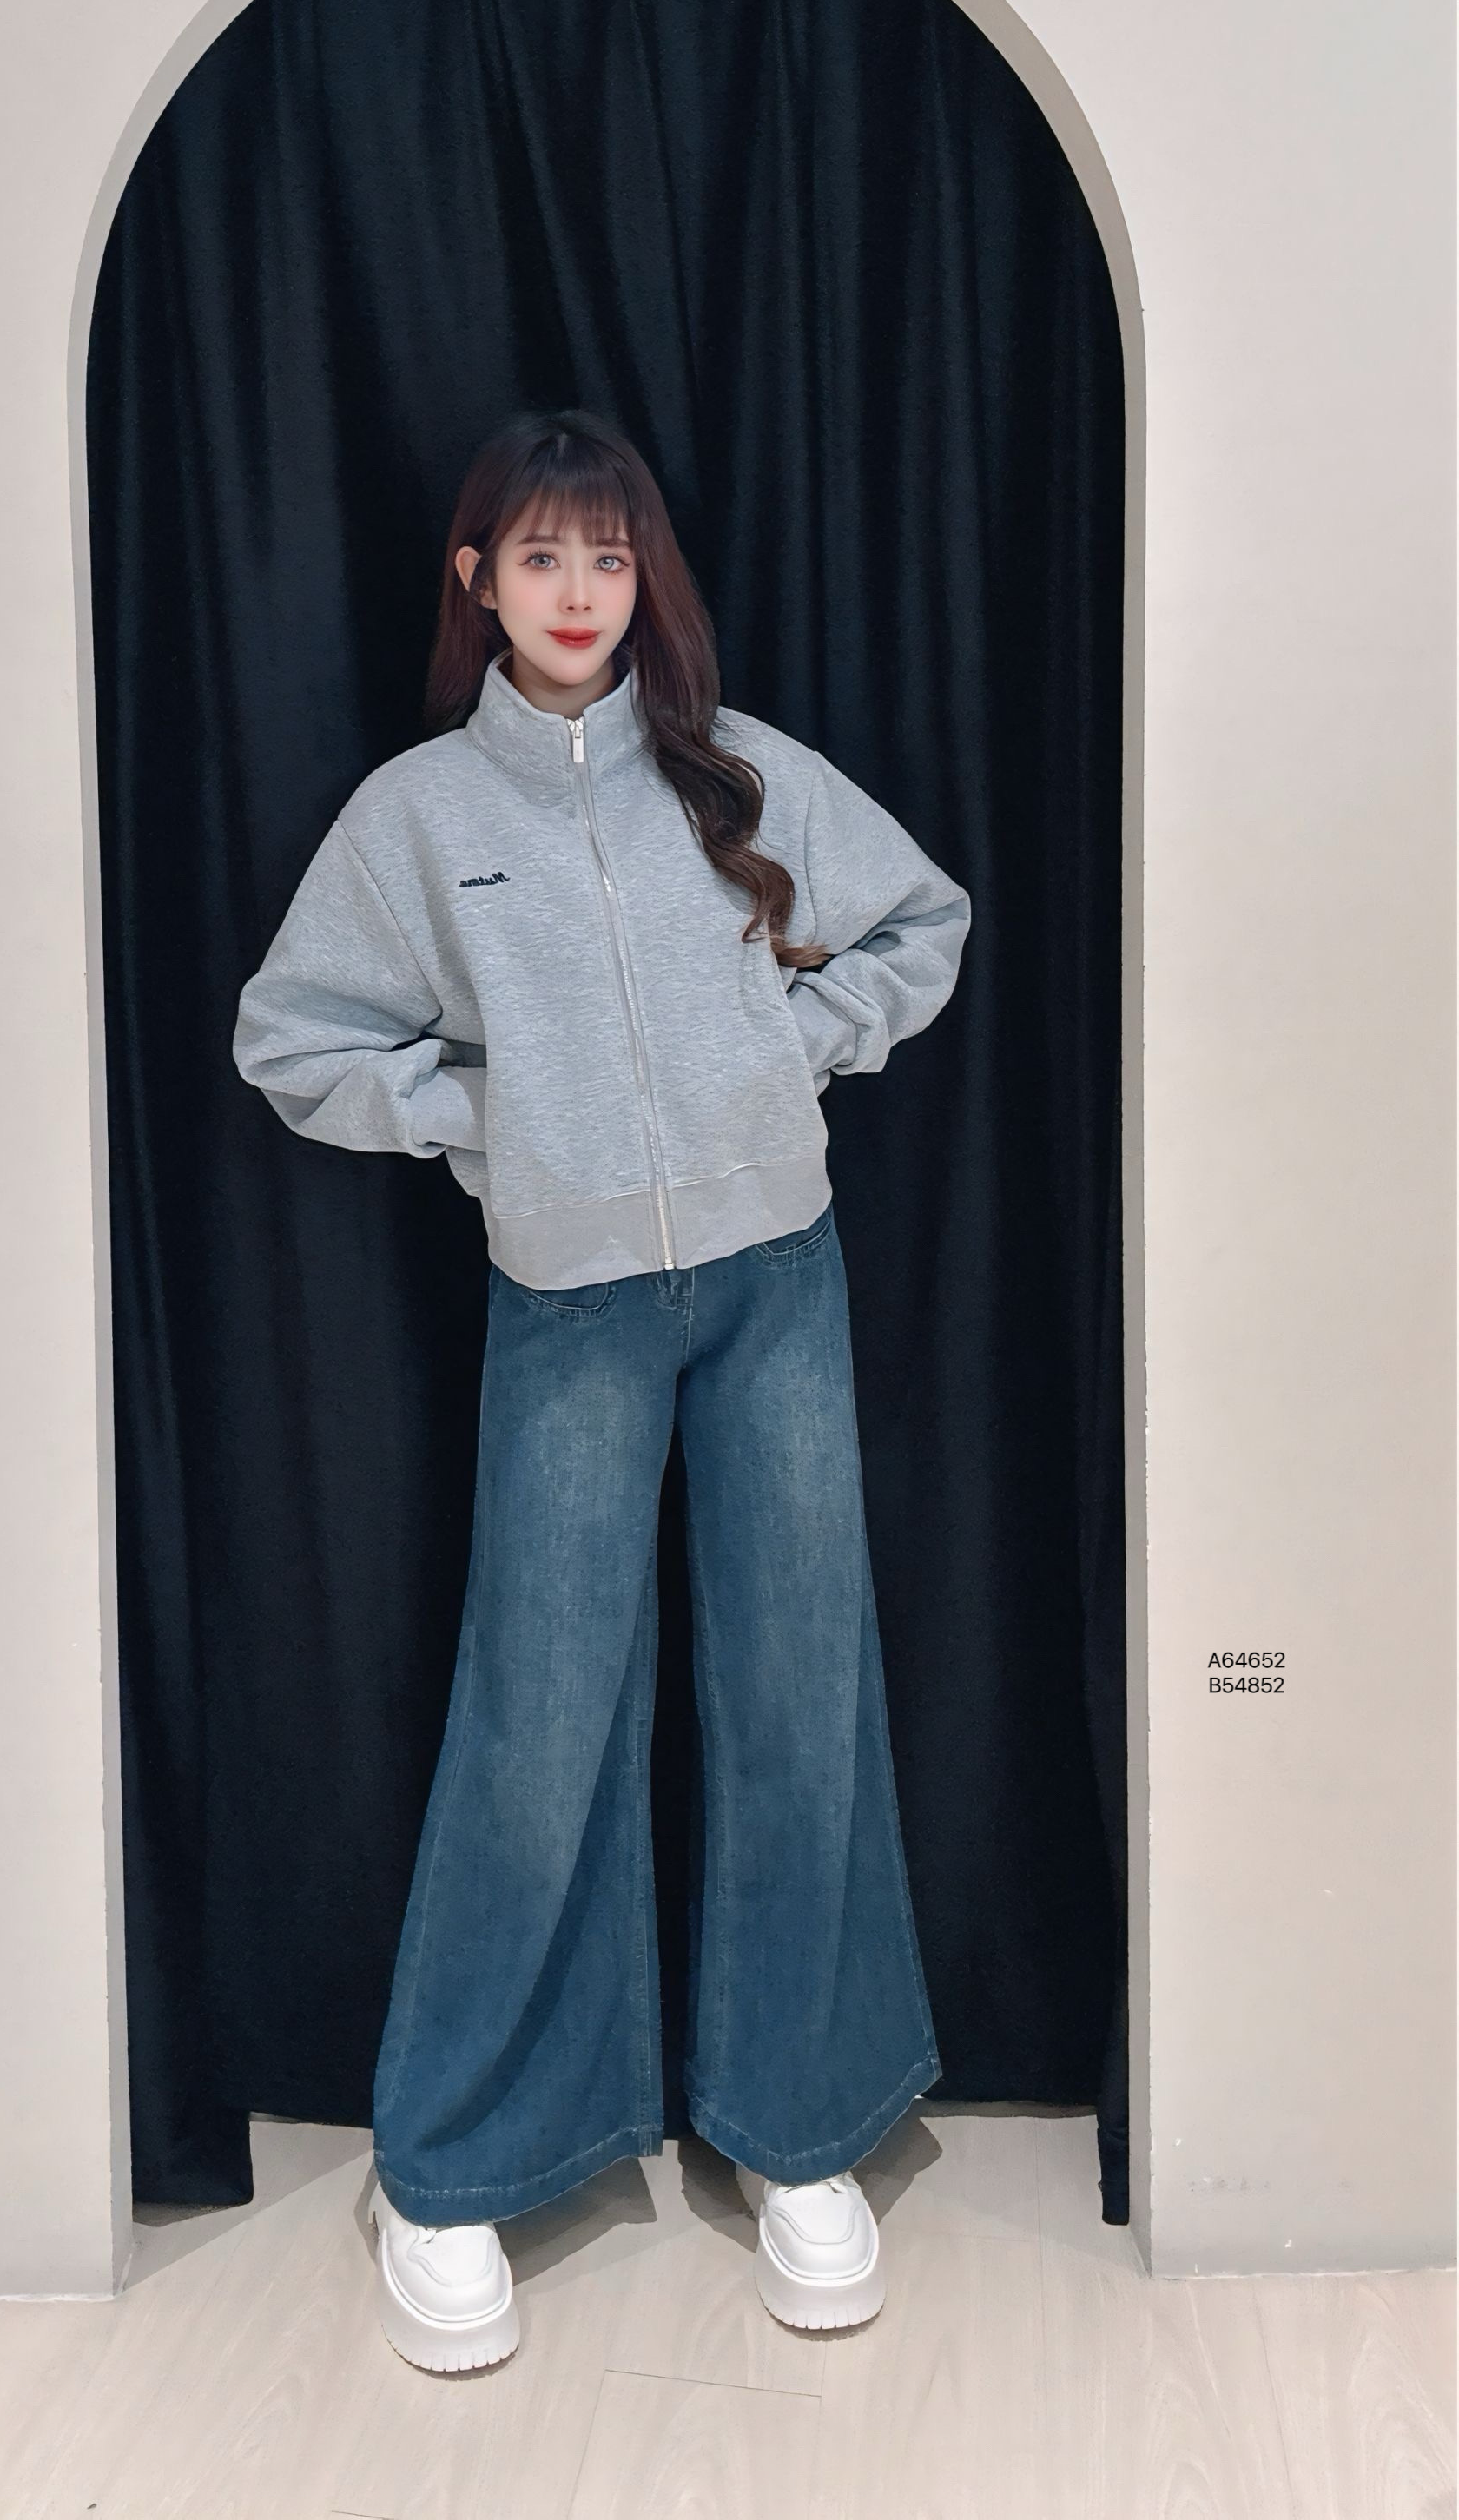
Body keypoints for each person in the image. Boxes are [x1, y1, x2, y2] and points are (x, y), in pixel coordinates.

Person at [232, 409, 971, 2372]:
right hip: (567, 1305)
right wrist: (493, 1120)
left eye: (611, 559)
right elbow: (291, 1042)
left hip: (773, 1281)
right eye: (542, 558)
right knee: (539, 1719)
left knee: (802, 1693)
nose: (578, 594)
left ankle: (800, 2129)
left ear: (647, 584)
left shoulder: (733, 775)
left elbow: (922, 922)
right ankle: (460, 2161)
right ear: (476, 580)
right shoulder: (415, 820)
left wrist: (795, 1045)